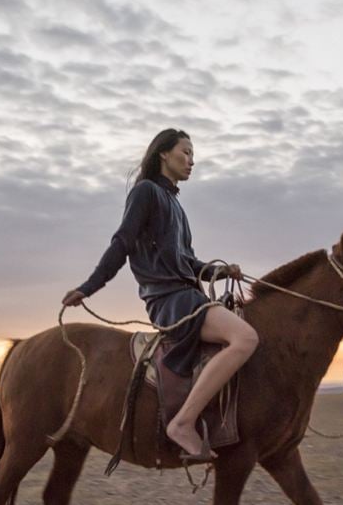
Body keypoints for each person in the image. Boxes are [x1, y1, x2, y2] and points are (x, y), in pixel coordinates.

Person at [62, 129, 259, 460]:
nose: (191, 161)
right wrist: (89, 286)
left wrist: (221, 272)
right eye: (185, 152)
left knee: (243, 326)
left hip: (188, 295)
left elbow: (188, 263)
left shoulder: (176, 206)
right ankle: (182, 424)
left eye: (193, 155)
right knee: (245, 338)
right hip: (171, 301)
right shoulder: (146, 193)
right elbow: (122, 243)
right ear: (163, 154)